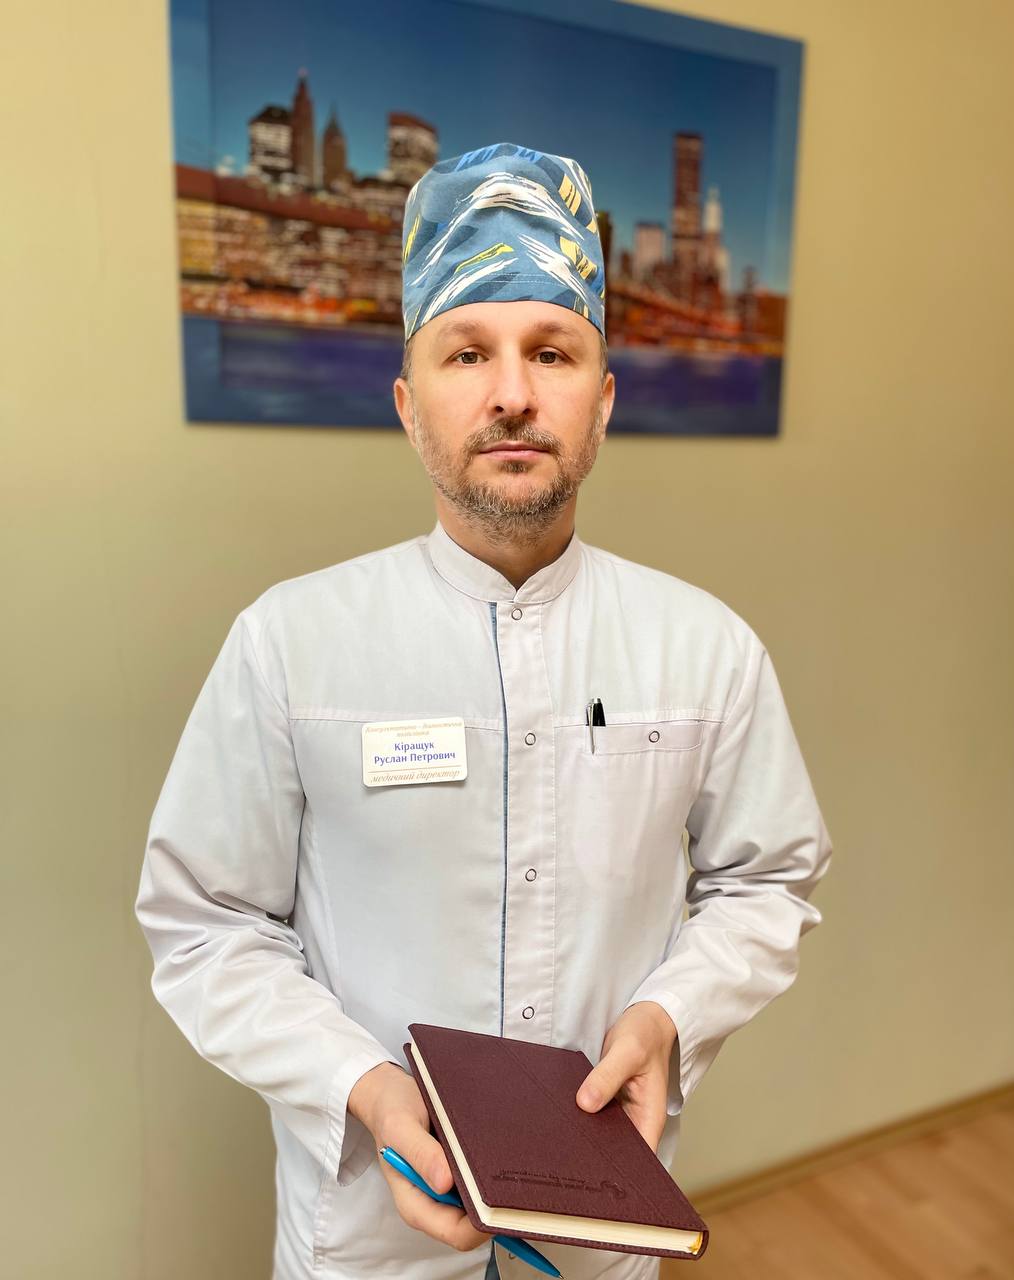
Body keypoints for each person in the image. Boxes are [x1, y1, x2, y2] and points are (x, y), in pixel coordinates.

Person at [135, 142, 832, 1280]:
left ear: (602, 403)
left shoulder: (707, 650)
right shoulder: (289, 644)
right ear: (410, 407)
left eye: (552, 352)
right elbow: (205, 921)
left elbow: (768, 880)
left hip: (600, 1228)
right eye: (467, 353)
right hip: (370, 1239)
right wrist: (361, 1084)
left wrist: (669, 1016)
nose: (512, 392)